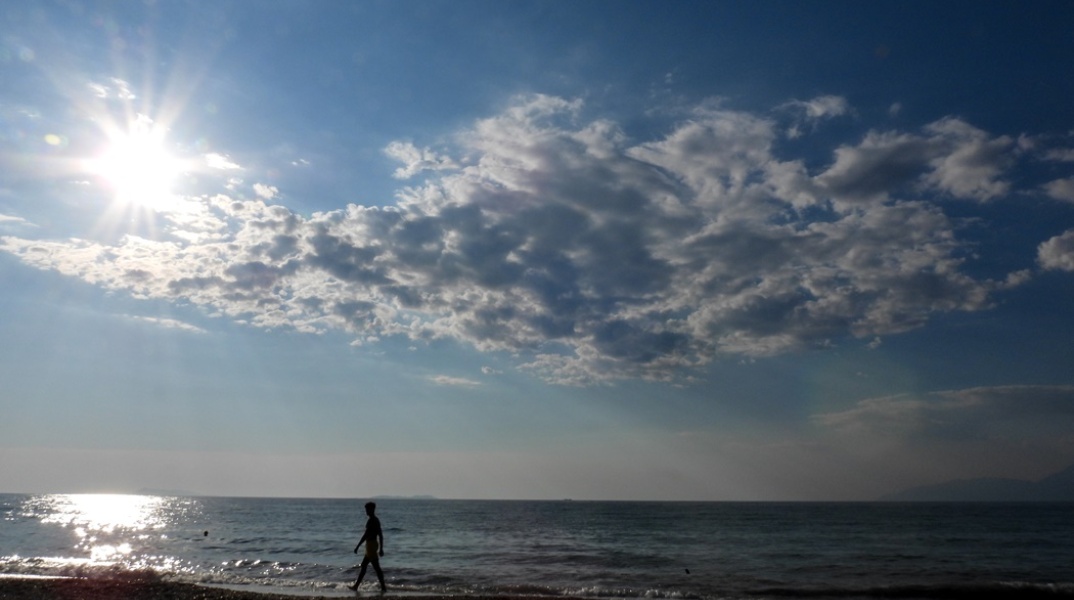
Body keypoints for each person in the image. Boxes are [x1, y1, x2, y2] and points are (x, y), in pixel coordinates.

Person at [348, 501, 386, 592]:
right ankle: (356, 586)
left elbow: (368, 535)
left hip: (372, 546)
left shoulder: (373, 521)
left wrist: (357, 546)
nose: (366, 511)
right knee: (365, 565)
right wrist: (380, 548)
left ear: (372, 509)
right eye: (366, 509)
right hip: (370, 545)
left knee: (376, 568)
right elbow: (376, 535)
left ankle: (383, 588)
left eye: (367, 509)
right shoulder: (373, 520)